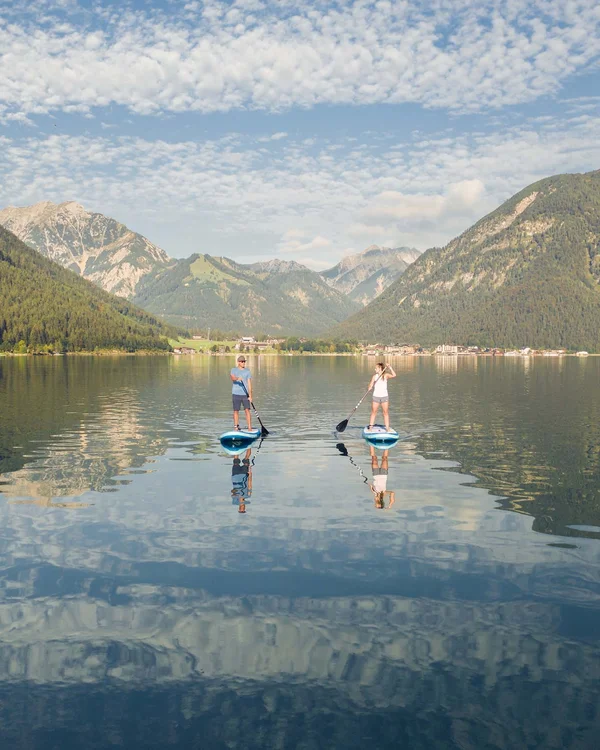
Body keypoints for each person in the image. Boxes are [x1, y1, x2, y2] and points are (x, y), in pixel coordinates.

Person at [367, 362, 396, 431]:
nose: (375, 369)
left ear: (380, 368)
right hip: (376, 396)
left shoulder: (385, 375)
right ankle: (370, 428)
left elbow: (394, 375)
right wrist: (369, 387)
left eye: (376, 368)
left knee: (385, 412)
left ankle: (387, 428)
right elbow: (370, 385)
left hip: (384, 397)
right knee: (374, 412)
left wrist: (390, 367)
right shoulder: (374, 376)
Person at [230, 354, 252, 431]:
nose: (243, 363)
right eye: (242, 362)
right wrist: (237, 378)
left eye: (244, 362)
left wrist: (250, 396)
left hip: (245, 394)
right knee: (236, 411)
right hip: (236, 394)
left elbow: (249, 384)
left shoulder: (247, 371)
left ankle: (249, 427)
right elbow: (232, 378)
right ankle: (236, 426)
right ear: (238, 362)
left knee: (247, 410)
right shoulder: (234, 370)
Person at [369, 446, 395, 510]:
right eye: (378, 506)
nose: (376, 505)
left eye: (376, 505)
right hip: (384, 475)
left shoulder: (375, 493)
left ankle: (371, 444)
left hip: (376, 475)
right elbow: (392, 493)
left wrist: (371, 487)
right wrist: (390, 505)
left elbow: (370, 485)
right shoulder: (384, 493)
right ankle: (388, 445)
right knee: (385, 458)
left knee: (374, 458)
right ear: (381, 504)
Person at [231, 448, 253, 513]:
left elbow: (232, 491)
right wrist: (250, 475)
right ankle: (249, 444)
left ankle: (237, 445)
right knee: (246, 459)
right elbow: (249, 485)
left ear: (239, 509)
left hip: (235, 476)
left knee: (236, 460)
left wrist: (236, 494)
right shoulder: (248, 495)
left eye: (241, 510)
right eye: (243, 509)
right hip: (244, 475)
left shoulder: (234, 501)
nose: (242, 508)